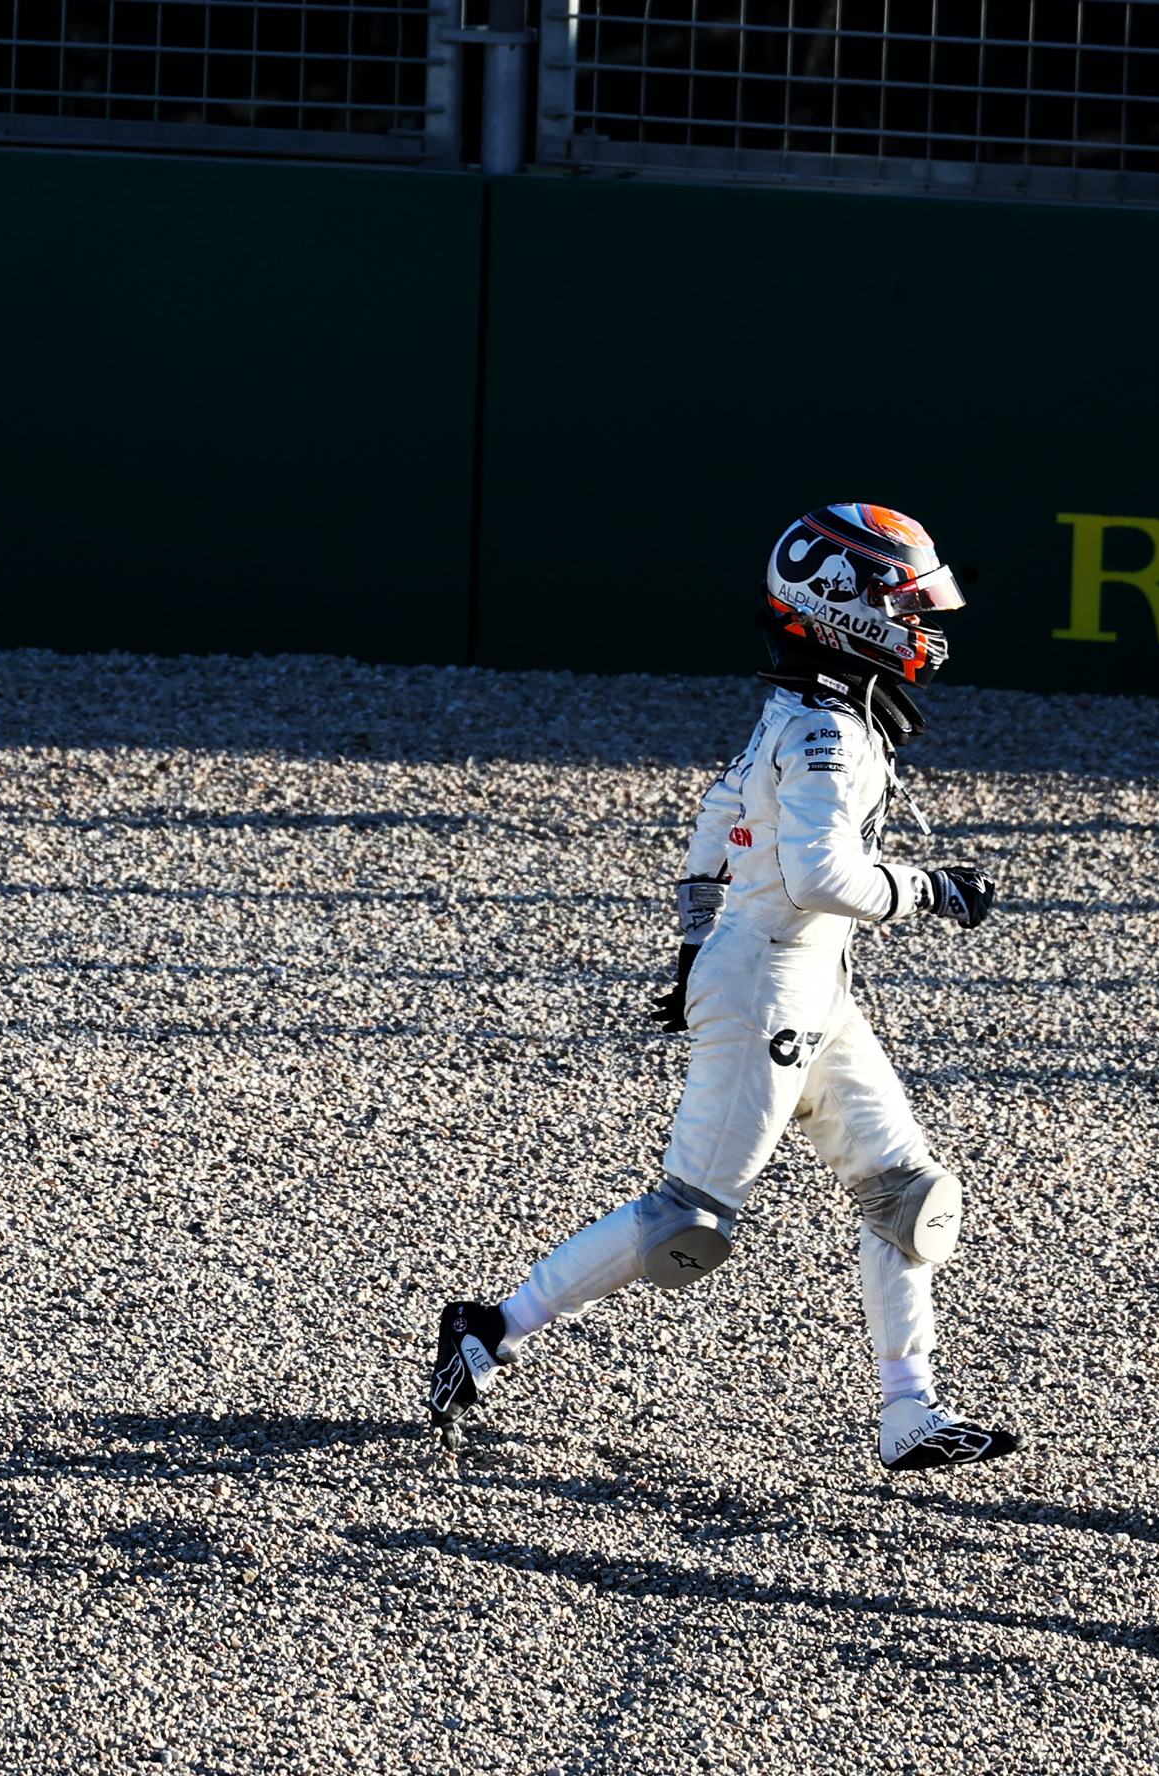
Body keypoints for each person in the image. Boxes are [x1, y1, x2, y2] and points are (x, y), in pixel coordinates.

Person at [429, 502, 1016, 1473]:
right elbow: (821, 874)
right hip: (776, 983)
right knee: (687, 1219)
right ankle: (489, 1326)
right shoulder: (830, 728)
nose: (924, 628)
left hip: (802, 978)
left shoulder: (808, 710)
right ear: (846, 608)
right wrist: (931, 889)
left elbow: (717, 823)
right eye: (907, 605)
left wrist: (695, 949)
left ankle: (910, 1413)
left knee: (911, 1195)